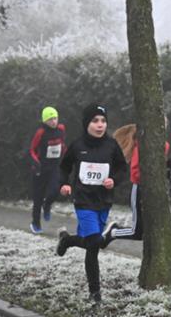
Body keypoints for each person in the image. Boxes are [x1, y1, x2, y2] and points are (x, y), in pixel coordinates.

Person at [55, 103, 128, 304]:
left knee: (90, 242)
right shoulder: (77, 145)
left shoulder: (112, 145)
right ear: (87, 123)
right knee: (95, 243)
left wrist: (114, 179)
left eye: (103, 121)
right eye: (95, 121)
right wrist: (63, 184)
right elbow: (64, 167)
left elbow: (123, 168)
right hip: (83, 200)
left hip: (104, 201)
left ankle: (67, 240)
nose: (100, 125)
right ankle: (95, 294)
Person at [104, 122, 171, 245]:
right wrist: (150, 178)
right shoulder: (142, 145)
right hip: (139, 189)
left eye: (163, 126)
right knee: (138, 232)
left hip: (155, 191)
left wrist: (165, 171)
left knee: (154, 228)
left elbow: (159, 166)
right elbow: (135, 172)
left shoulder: (165, 145)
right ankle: (113, 232)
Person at [28, 106, 66, 233]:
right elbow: (32, 149)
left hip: (54, 167)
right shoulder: (41, 132)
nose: (53, 121)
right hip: (41, 168)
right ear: (45, 121)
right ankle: (35, 223)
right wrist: (36, 162)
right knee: (37, 198)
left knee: (55, 190)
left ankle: (48, 204)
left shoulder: (61, 129)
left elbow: (62, 144)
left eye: (55, 118)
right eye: (50, 119)